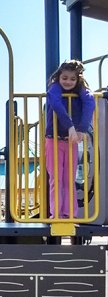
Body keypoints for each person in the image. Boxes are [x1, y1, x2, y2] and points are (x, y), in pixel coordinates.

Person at [45, 59, 95, 219]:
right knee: (56, 178)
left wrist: (82, 128)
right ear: (59, 76)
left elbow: (89, 102)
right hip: (53, 139)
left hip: (70, 141)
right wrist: (70, 126)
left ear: (78, 79)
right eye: (64, 77)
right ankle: (56, 213)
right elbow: (56, 104)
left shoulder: (80, 90)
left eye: (73, 79)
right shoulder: (55, 88)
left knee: (69, 178)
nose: (68, 81)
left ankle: (70, 213)